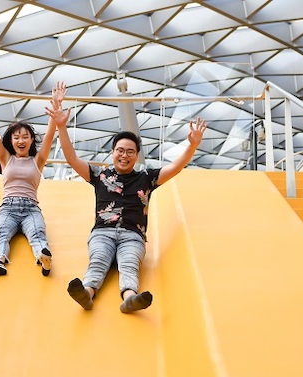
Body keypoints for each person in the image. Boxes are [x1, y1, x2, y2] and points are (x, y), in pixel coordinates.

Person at [46, 92, 207, 313]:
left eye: (130, 151)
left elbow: (175, 168)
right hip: (102, 232)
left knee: (129, 264)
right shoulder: (100, 176)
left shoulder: (147, 178)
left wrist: (192, 146)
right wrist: (61, 127)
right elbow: (72, 159)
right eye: (120, 151)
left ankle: (130, 298)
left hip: (133, 235)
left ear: (137, 155)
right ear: (112, 153)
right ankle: (86, 293)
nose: (124, 155)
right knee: (98, 261)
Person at [0, 83, 65, 278]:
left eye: (25, 137)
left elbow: (49, 136)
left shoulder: (38, 160)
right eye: (16, 137)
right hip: (8, 208)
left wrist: (56, 107)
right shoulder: (5, 158)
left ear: (31, 141)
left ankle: (44, 259)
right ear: (11, 142)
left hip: (31, 208)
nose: (21, 141)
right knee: (0, 233)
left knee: (38, 234)